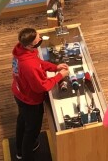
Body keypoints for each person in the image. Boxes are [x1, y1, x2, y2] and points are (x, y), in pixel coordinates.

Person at [12, 27, 69, 161]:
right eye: (38, 37)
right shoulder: (29, 65)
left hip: (19, 92)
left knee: (22, 121)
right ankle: (26, 155)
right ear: (30, 44)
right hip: (30, 100)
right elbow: (41, 87)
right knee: (31, 130)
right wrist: (59, 76)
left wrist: (55, 67)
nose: (40, 37)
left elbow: (39, 63)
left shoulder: (22, 51)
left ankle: (19, 150)